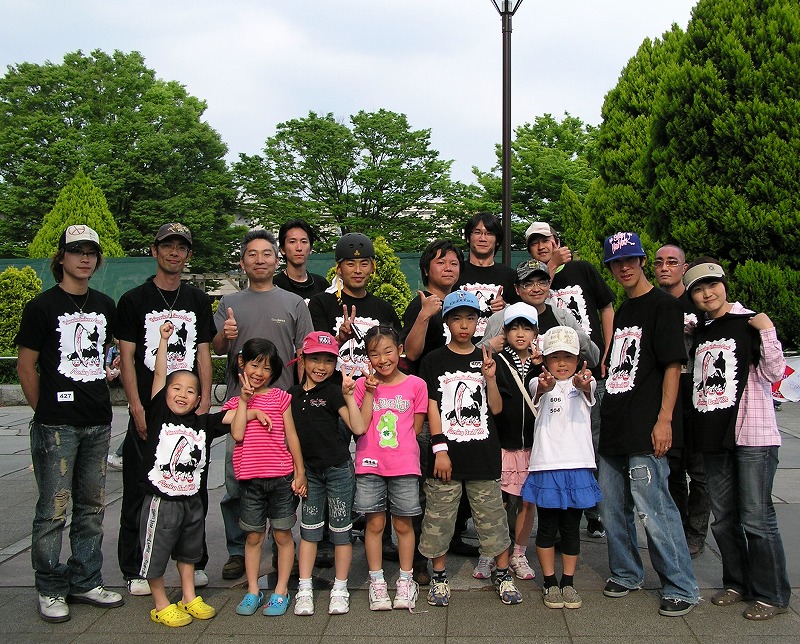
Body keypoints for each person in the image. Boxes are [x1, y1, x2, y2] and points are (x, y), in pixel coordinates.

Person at [16, 225, 124, 622]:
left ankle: (85, 579)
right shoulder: (42, 306)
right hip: (56, 426)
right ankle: (49, 586)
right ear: (61, 257)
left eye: (91, 252)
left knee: (92, 508)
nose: (84, 258)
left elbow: (106, 354)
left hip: (97, 420)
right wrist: (44, 410)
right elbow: (26, 366)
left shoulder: (105, 305)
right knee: (53, 509)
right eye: (76, 251)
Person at [598, 231, 699, 617]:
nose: (623, 267)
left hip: (645, 425)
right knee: (612, 509)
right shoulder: (624, 310)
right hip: (614, 423)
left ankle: (681, 585)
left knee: (654, 509)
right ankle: (626, 572)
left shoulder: (664, 306)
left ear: (642, 261)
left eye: (630, 260)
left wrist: (664, 420)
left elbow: (673, 365)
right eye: (615, 263)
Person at [684, 259, 791, 620]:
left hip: (753, 434)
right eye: (699, 290)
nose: (707, 294)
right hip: (715, 436)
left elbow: (774, 373)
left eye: (712, 285)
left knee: (757, 518)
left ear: (725, 285)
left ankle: (772, 594)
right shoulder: (700, 330)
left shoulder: (750, 323)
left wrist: (768, 330)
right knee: (724, 517)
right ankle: (737, 582)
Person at [114, 222, 216, 596]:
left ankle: (195, 562)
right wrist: (137, 407)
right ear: (154, 250)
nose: (174, 253)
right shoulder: (134, 300)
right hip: (150, 409)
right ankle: (135, 568)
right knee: (139, 491)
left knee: (193, 487)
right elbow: (127, 358)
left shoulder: (197, 300)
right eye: (167, 246)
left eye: (181, 247)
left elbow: (203, 352)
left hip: (189, 412)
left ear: (188, 254)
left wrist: (205, 400)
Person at [213, 228, 313, 581]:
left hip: (281, 407)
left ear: (276, 260)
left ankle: (282, 548)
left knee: (283, 481)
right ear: (242, 262)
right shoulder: (229, 303)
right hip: (240, 405)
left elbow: (304, 354)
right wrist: (223, 336)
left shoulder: (294, 303)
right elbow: (218, 349)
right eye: (252, 254)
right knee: (235, 482)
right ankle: (237, 550)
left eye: (266, 254)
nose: (260, 260)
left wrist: (301, 399)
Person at [418, 290, 522, 608]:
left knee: (493, 519)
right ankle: (439, 576)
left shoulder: (488, 358)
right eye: (457, 318)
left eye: (470, 318)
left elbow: (497, 408)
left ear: (479, 322)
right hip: (446, 456)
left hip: (483, 455)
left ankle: (502, 573)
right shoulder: (434, 360)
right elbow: (432, 407)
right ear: (447, 322)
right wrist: (440, 449)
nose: (464, 325)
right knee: (438, 519)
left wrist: (490, 379)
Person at [526, 221, 614, 538]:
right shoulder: (533, 281)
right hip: (550, 375)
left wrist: (608, 348)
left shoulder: (581, 269)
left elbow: (606, 306)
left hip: (586, 369)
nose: (541, 246)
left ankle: (593, 510)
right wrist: (550, 267)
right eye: (534, 242)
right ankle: (561, 511)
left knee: (591, 440)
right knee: (555, 437)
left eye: (546, 240)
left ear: (557, 240)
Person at [140, 321, 231, 627]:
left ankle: (189, 596)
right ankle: (160, 603)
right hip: (162, 499)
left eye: (190, 391)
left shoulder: (202, 423)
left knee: (190, 551)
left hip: (191, 499)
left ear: (199, 399)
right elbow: (159, 375)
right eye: (176, 388)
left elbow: (230, 417)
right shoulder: (159, 415)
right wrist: (164, 341)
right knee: (157, 552)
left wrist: (251, 402)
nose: (182, 394)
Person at [400, 239, 473, 581]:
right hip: (425, 406)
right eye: (441, 262)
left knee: (456, 477)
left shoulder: (463, 303)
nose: (448, 267)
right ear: (427, 268)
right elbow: (411, 353)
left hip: (461, 406)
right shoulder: (420, 303)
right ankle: (418, 558)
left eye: (454, 263)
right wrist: (425, 315)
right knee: (425, 482)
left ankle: (450, 539)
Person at [222, 338, 307, 617]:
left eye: (267, 368)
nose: (259, 373)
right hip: (250, 481)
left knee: (283, 534)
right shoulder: (234, 403)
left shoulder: (281, 398)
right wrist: (247, 405)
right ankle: (252, 590)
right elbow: (237, 433)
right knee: (253, 536)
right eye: (255, 365)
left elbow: (292, 435)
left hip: (281, 478)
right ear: (242, 364)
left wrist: (299, 471)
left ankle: (281, 590)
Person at [523, 326, 603, 610]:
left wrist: (583, 383)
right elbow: (538, 390)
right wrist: (544, 384)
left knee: (571, 529)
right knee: (546, 528)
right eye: (554, 357)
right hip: (547, 466)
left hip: (578, 465)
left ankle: (568, 581)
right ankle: (549, 582)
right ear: (545, 360)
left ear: (578, 360)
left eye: (567, 357)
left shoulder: (585, 382)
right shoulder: (539, 381)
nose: (561, 363)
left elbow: (588, 389)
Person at [352, 326, 428, 611]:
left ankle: (406, 580)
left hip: (404, 465)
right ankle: (377, 581)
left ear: (400, 351)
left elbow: (416, 427)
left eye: (388, 352)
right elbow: (360, 425)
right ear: (367, 357)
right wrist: (370, 391)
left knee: (403, 524)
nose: (382, 359)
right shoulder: (362, 385)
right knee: (374, 524)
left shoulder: (416, 385)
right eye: (375, 354)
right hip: (370, 465)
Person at [289, 332, 364, 617]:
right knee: (309, 531)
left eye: (328, 361)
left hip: (338, 471)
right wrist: (299, 472)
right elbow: (291, 437)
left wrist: (349, 395)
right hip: (310, 473)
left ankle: (340, 588)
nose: (321, 366)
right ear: (303, 359)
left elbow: (358, 428)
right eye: (315, 359)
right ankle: (304, 588)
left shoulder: (333, 392)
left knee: (341, 531)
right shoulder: (292, 395)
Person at [655, 244, 710, 558]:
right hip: (668, 396)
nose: (665, 267)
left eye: (672, 262)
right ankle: (677, 527)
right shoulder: (654, 303)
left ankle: (696, 532)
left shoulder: (699, 302)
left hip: (700, 396)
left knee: (701, 473)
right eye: (659, 262)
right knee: (672, 469)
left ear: (684, 268)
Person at [483, 302, 541, 583]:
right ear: (504, 332)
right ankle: (491, 552)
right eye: (514, 328)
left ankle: (519, 552)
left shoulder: (542, 363)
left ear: (535, 333)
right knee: (498, 503)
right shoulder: (497, 361)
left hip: (534, 447)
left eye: (526, 328)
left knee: (527, 503)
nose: (520, 334)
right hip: (502, 445)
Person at [308, 232, 401, 378]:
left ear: (372, 267)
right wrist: (340, 339)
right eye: (350, 264)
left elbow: (397, 351)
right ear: (339, 268)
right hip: (334, 388)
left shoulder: (384, 308)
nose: (358, 270)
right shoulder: (321, 303)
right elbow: (316, 354)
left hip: (375, 388)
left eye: (364, 264)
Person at [480, 259, 600, 369]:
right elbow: (473, 358)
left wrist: (576, 337)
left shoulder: (563, 318)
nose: (536, 289)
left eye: (542, 283)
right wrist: (489, 346)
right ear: (517, 289)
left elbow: (593, 360)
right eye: (528, 284)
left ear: (549, 285)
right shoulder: (500, 318)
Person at [454, 212, 519, 343]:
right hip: (459, 347)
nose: (483, 238)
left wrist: (505, 308)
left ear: (497, 240)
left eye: (489, 233)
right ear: (468, 238)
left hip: (498, 348)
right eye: (477, 232)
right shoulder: (455, 272)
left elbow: (520, 318)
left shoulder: (510, 276)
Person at [274, 219, 330, 301]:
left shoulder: (321, 284)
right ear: (282, 249)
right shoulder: (274, 285)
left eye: (304, 242)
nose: (299, 248)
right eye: (292, 242)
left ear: (310, 249)